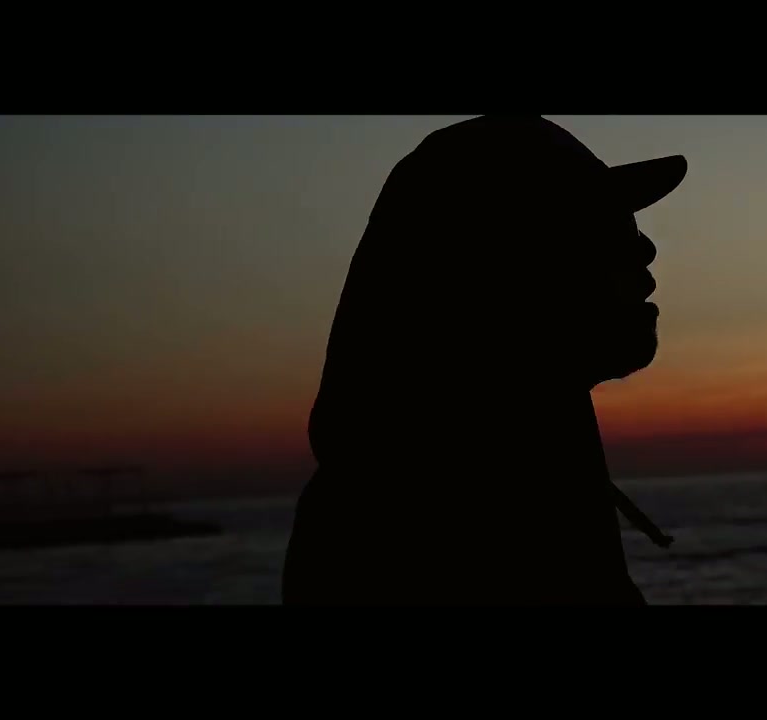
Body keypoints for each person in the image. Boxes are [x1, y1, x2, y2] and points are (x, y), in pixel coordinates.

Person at [282, 115, 687, 605]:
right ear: (492, 267)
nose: (644, 248)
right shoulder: (406, 527)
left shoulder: (529, 479)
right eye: (597, 226)